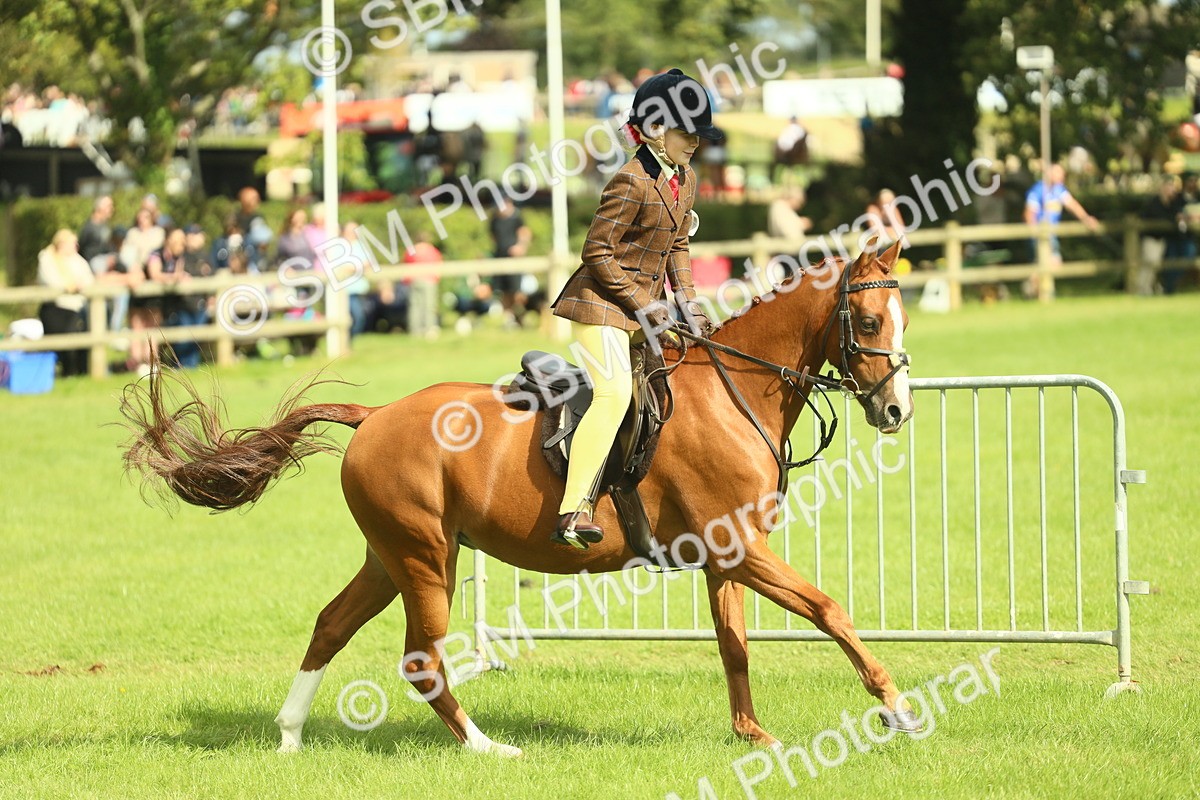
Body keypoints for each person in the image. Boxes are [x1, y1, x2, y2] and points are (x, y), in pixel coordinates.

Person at [549, 68, 719, 548]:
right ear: (657, 131)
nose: (696, 144)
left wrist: (689, 304)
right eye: (689, 134)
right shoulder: (630, 181)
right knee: (614, 393)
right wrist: (649, 303)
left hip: (645, 312)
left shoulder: (684, 180)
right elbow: (596, 253)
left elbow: (679, 246)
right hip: (599, 307)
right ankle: (573, 509)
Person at [1023, 163, 1100, 299]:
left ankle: (1033, 288)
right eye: (1059, 173)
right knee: (1050, 262)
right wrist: (1034, 232)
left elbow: (1072, 205)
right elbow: (1029, 214)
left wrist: (1086, 219)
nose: (1062, 176)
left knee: (1050, 264)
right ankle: (1041, 292)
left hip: (1052, 234)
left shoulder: (1059, 190)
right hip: (1041, 234)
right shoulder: (1038, 190)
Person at [36, 229, 94, 377]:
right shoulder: (47, 258)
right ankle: (68, 372)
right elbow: (51, 282)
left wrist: (78, 285)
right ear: (62, 244)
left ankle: (81, 372)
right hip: (55, 309)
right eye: (72, 244)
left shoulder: (77, 260)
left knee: (85, 335)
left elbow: (89, 278)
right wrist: (71, 286)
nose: (76, 247)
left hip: (76, 307)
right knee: (65, 340)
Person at [488, 196, 533, 327]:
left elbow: (525, 233)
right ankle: (509, 319)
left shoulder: (517, 218)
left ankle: (520, 315)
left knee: (517, 291)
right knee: (503, 291)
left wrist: (521, 247)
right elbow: (493, 236)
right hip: (500, 258)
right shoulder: (494, 219)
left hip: (515, 260)